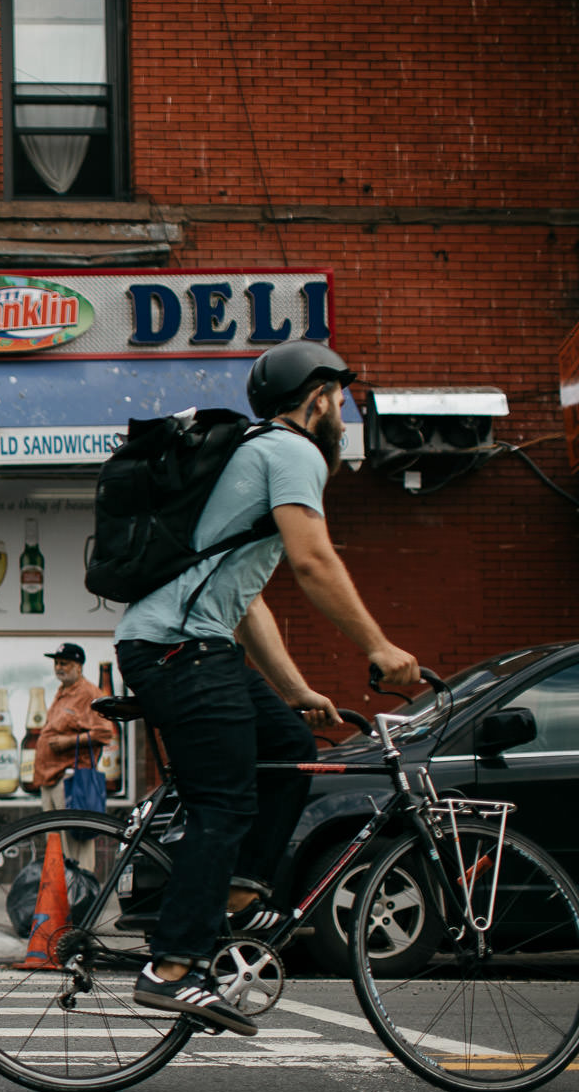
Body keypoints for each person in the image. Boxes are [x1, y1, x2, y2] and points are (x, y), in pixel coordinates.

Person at [115, 340, 420, 1036]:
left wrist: (297, 687)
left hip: (190, 644)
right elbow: (314, 562)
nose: (343, 408)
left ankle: (240, 898)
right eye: (337, 394)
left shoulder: (254, 455)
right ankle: (172, 969)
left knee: (287, 743)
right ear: (313, 396)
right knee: (225, 802)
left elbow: (246, 600)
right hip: (177, 649)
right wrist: (377, 645)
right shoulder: (291, 452)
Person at [31, 642, 115, 867]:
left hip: (71, 780)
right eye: (57, 663)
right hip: (51, 778)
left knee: (77, 842)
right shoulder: (62, 691)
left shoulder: (89, 693)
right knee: (56, 842)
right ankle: (62, 894)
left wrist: (69, 741)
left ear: (78, 666)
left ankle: (83, 894)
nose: (59, 667)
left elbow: (105, 733)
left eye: (65, 664)